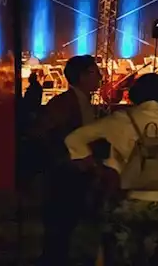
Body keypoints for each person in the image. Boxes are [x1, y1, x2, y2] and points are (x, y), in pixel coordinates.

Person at [65, 73, 158, 266]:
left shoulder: (120, 119)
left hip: (123, 199)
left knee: (120, 255)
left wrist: (92, 165)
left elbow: (73, 139)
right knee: (148, 256)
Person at [33, 54, 103, 265]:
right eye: (94, 72)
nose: (100, 76)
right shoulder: (63, 103)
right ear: (81, 76)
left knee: (66, 228)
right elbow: (43, 136)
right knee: (59, 229)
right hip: (63, 176)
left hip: (76, 174)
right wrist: (68, 160)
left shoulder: (84, 103)